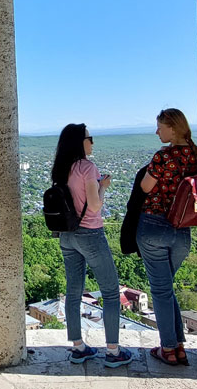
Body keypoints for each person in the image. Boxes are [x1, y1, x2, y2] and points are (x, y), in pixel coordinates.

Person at [51, 123, 134, 367]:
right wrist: (102, 186)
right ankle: (113, 351)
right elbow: (95, 206)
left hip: (67, 235)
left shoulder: (61, 168)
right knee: (110, 291)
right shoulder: (87, 167)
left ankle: (78, 347)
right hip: (90, 233)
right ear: (80, 142)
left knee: (73, 293)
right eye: (90, 138)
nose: (92, 142)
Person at [137, 108, 197, 366]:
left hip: (155, 225)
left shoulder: (164, 156)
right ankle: (178, 345)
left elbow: (146, 187)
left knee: (161, 290)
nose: (157, 131)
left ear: (173, 128)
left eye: (160, 127)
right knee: (167, 289)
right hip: (183, 231)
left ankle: (168, 349)